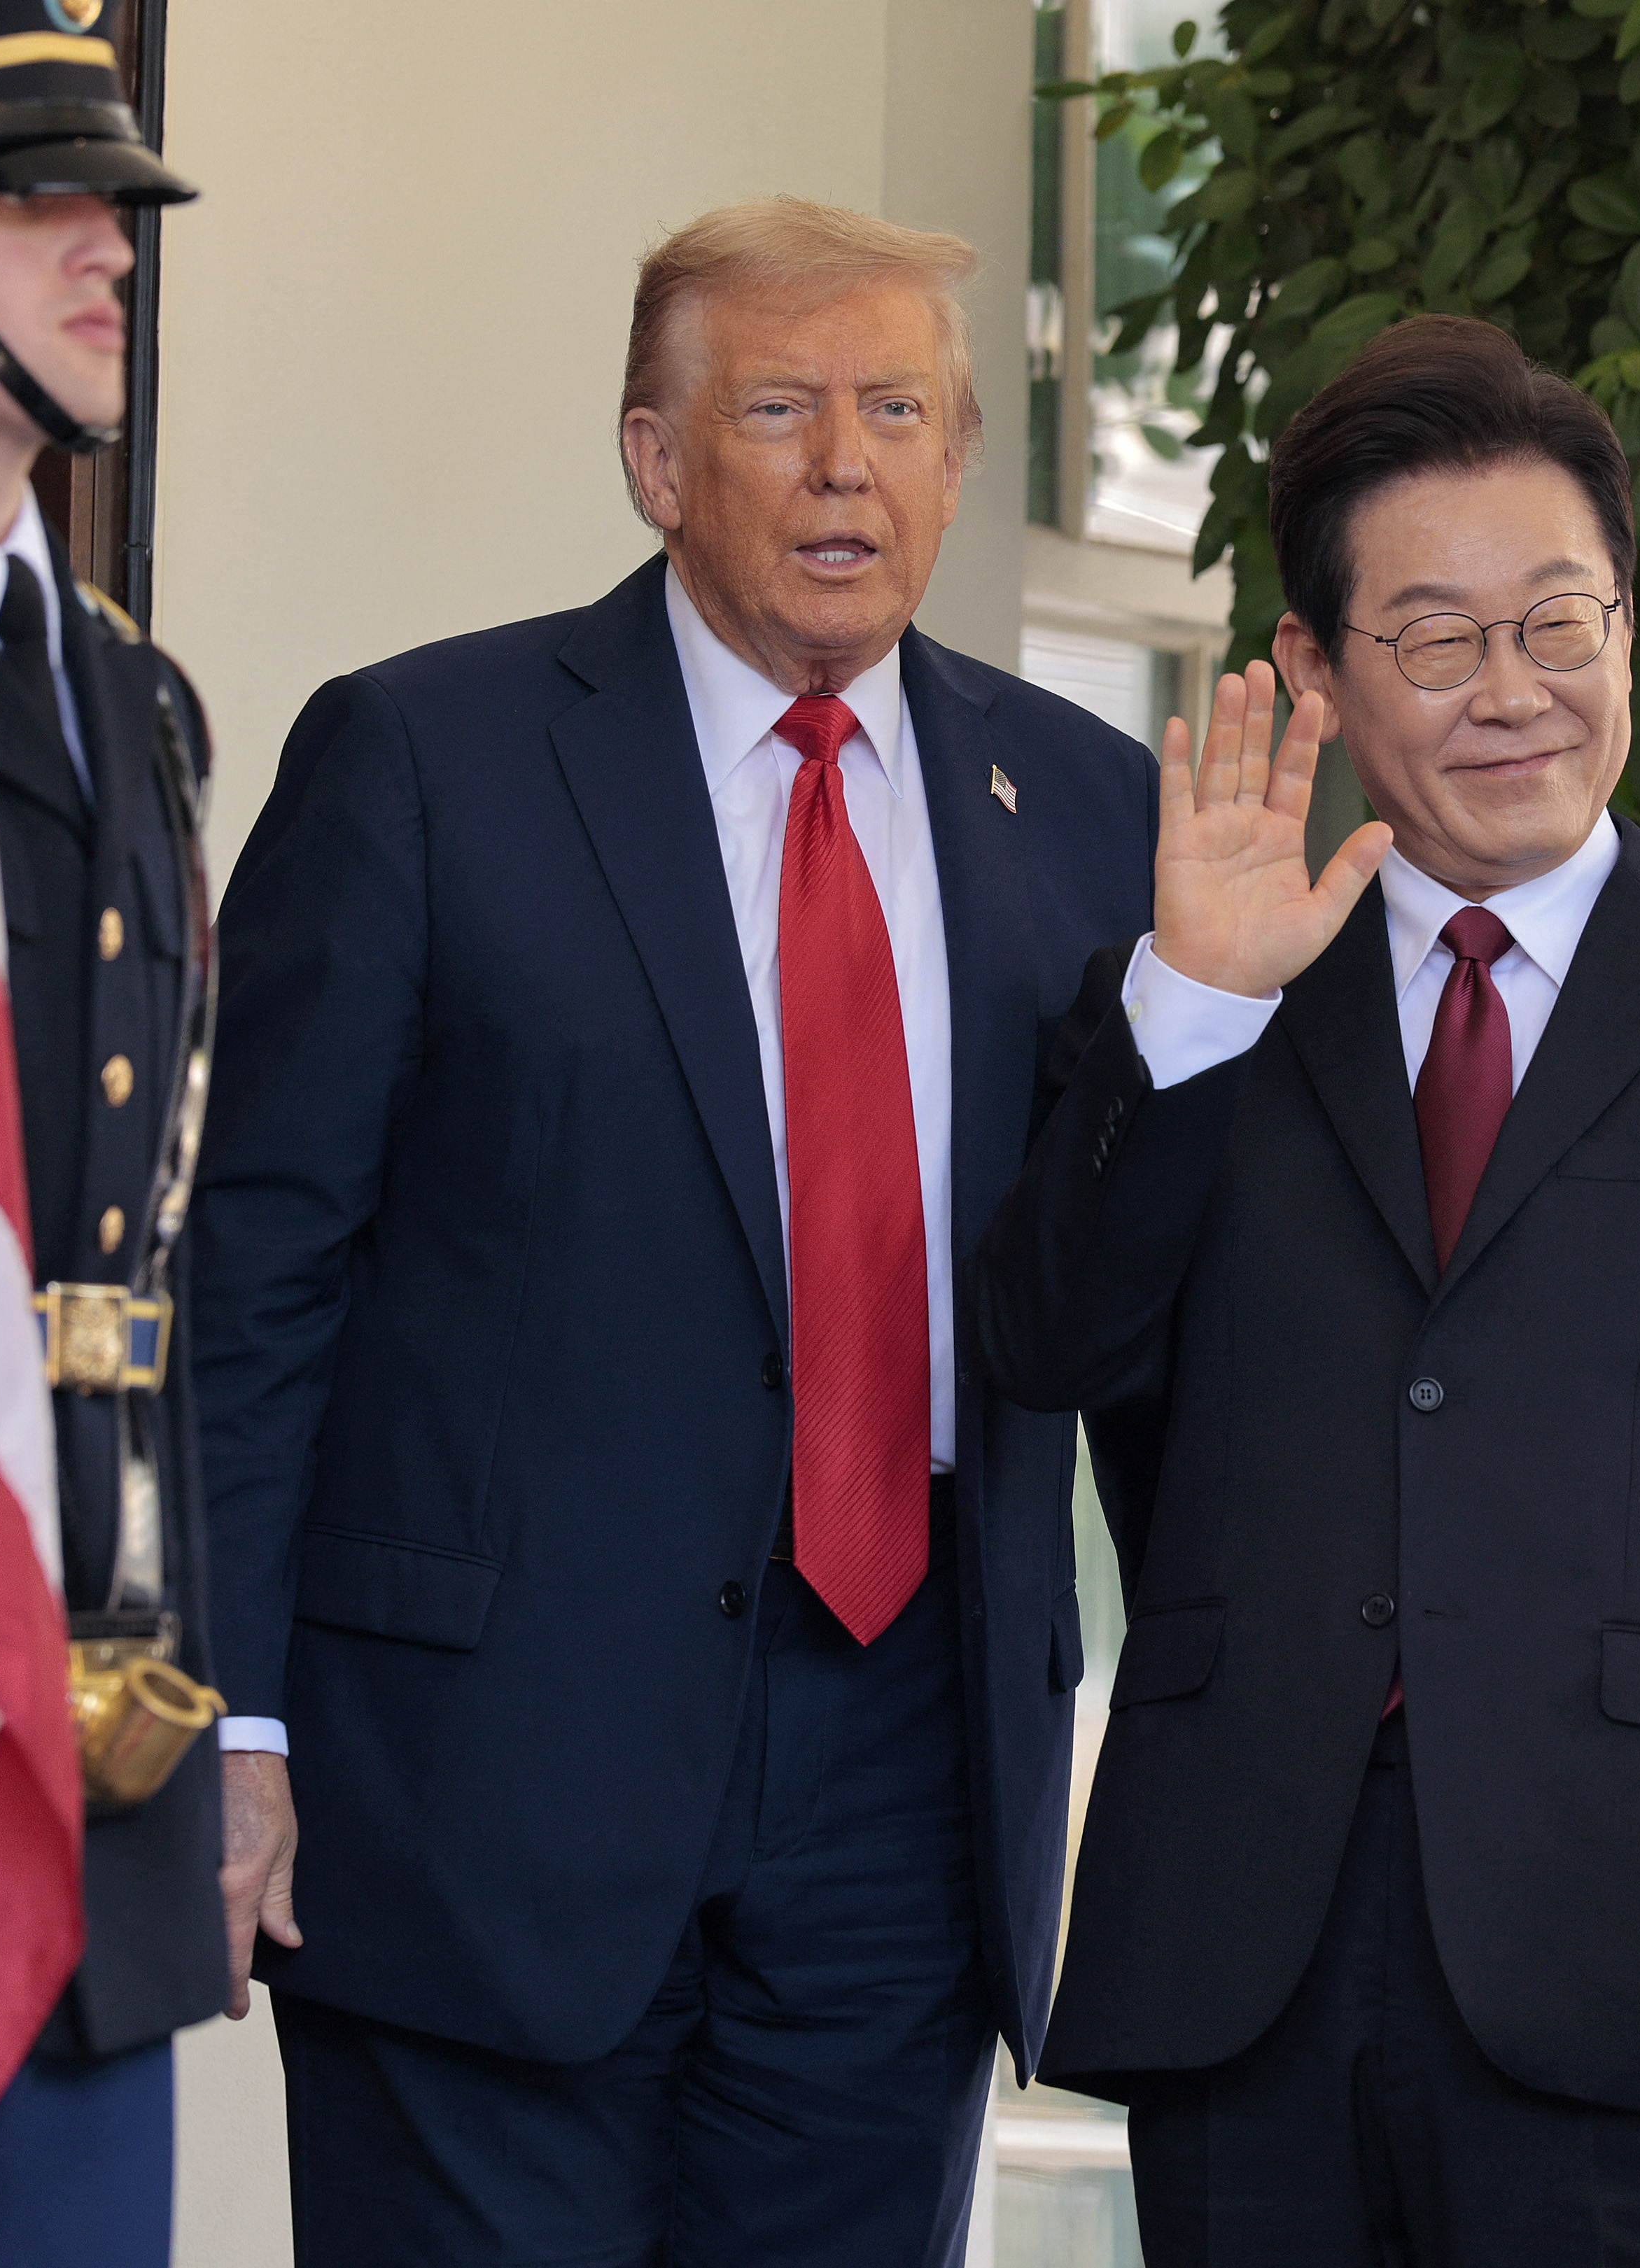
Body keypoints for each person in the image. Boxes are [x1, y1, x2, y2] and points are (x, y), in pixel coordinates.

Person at [190, 197, 1156, 2263]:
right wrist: (231, 1718)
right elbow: (254, 1279)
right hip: (477, 1791)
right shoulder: (425, 762)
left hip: (908, 1781)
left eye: (900, 408)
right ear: (654, 459)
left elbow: (1124, 1285)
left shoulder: (1084, 805)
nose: (846, 464)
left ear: (961, 457)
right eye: (783, 408)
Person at [974, 313, 1640, 2264]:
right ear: (1320, 675)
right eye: (1436, 640)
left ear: (1623, 622)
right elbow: (1046, 1345)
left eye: (1558, 623)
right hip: (1241, 1928)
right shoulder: (1197, 992)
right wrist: (1189, 1006)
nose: (1512, 690)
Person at [0, 5, 222, 2262]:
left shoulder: (129, 687)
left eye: (109, 195)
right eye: (23, 193)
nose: (101, 244)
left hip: (91, 1691)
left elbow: (151, 1262)